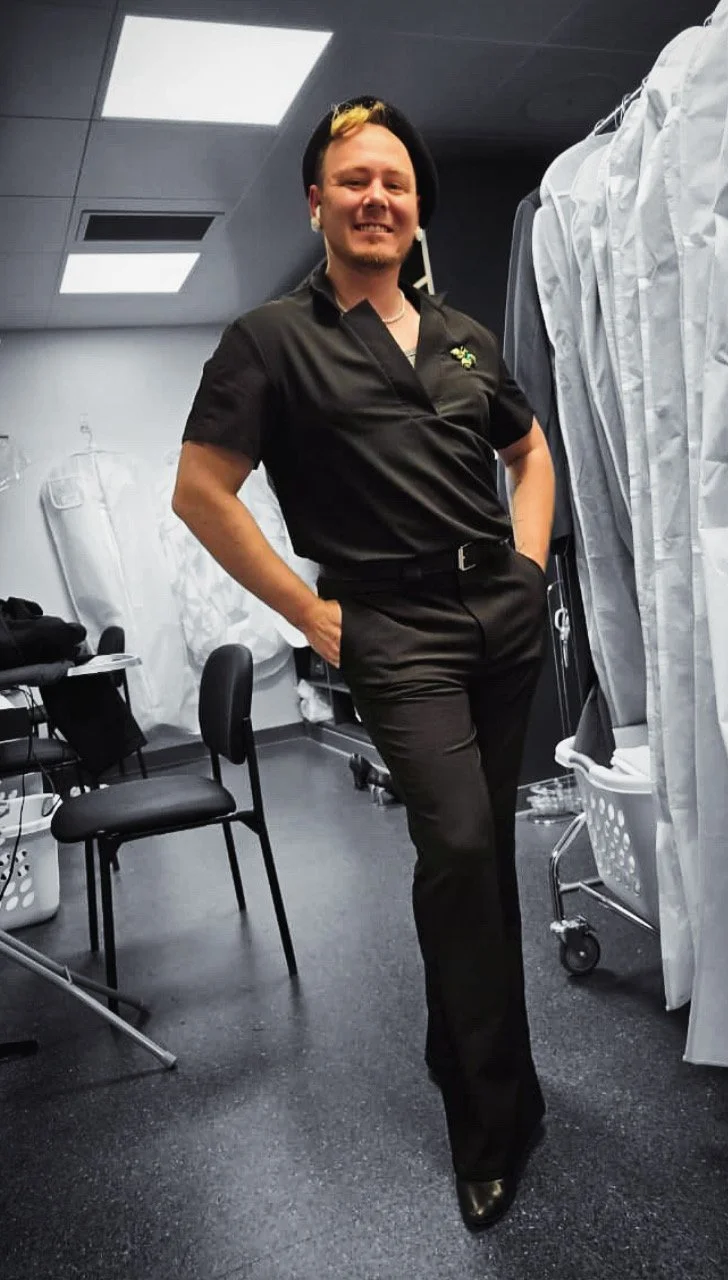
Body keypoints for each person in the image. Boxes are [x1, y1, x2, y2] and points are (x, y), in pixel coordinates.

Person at [171, 96, 556, 1231]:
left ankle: (481, 1064)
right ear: (317, 200)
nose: (376, 197)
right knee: (464, 843)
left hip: (500, 609)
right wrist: (308, 609)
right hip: (390, 627)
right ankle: (489, 1130)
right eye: (354, 180)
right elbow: (201, 491)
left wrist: (530, 567)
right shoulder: (269, 340)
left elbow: (530, 452)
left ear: (416, 206)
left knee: (480, 863)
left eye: (394, 181)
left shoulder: (465, 336)